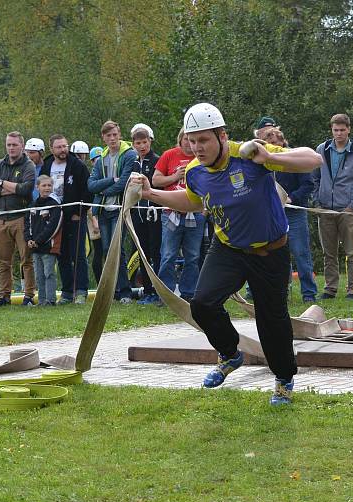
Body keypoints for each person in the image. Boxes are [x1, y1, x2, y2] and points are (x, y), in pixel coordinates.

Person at [131, 103, 322, 405]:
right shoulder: (195, 171)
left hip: (270, 250)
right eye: (192, 141)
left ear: (222, 135)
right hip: (229, 248)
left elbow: (314, 159)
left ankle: (284, 380)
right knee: (202, 304)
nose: (197, 148)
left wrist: (269, 157)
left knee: (272, 322)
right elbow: (193, 201)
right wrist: (150, 194)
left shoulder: (249, 154)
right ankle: (231, 354)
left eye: (204, 140)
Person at [312, 113, 353, 299]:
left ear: (349, 130)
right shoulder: (322, 149)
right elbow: (313, 177)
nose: (339, 134)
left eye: (342, 130)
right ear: (331, 130)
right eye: (335, 130)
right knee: (328, 252)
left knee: (352, 252)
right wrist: (316, 202)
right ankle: (330, 288)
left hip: (348, 209)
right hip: (325, 209)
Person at [258, 126, 318, 303]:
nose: (273, 146)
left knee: (300, 252)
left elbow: (308, 184)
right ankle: (278, 290)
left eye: (276, 142)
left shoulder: (295, 159)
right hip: (272, 214)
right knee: (274, 253)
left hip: (294, 212)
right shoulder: (261, 163)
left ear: (282, 142)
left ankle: (308, 293)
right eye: (269, 143)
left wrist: (292, 198)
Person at [152, 127, 204, 302]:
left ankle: (188, 294)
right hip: (171, 213)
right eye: (186, 140)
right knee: (168, 254)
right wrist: (175, 177)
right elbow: (155, 180)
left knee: (193, 255)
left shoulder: (203, 156)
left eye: (193, 140)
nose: (190, 145)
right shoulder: (169, 155)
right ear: (180, 140)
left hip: (195, 213)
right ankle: (166, 294)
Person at [88, 120, 137, 303]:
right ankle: (113, 292)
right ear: (104, 137)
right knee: (107, 251)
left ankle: (125, 291)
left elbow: (123, 183)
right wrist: (109, 182)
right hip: (102, 210)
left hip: (119, 208)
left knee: (118, 251)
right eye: (109, 135)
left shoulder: (129, 154)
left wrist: (102, 189)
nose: (113, 138)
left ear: (119, 134)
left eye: (115, 134)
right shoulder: (101, 159)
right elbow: (91, 185)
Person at [0, 131, 37, 306]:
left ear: (22, 146)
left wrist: (2, 183)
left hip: (21, 217)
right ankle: (4, 296)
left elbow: (26, 189)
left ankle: (29, 295)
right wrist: (12, 188)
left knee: (26, 260)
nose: (11, 148)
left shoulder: (28, 165)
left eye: (15, 145)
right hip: (1, 219)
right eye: (9, 144)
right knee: (3, 261)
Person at [43, 134, 92, 305]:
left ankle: (80, 291)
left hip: (74, 216)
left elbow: (88, 190)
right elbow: (42, 188)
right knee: (61, 254)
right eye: (59, 147)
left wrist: (81, 211)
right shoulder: (46, 164)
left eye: (65, 146)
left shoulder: (77, 165)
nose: (63, 150)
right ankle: (66, 292)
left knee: (78, 254)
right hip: (55, 217)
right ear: (52, 149)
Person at [129, 123, 162, 305]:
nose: (142, 146)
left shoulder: (156, 160)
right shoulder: (134, 163)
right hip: (138, 213)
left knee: (155, 252)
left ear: (149, 141)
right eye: (138, 143)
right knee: (143, 253)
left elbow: (158, 185)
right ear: (133, 144)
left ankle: (158, 291)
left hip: (153, 212)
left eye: (144, 142)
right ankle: (147, 290)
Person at [26, 175, 63, 306]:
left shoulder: (55, 205)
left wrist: (39, 240)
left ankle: (51, 300)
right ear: (37, 187)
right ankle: (41, 300)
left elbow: (53, 227)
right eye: (44, 185)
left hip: (48, 246)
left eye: (49, 185)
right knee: (39, 275)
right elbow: (28, 224)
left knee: (49, 274)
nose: (47, 188)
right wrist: (29, 239)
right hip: (35, 247)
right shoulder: (33, 205)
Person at [87, 146, 104, 283]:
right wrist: (94, 220)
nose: (98, 161)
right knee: (98, 251)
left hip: (107, 214)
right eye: (95, 159)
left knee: (110, 251)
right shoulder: (91, 177)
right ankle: (100, 284)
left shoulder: (107, 172)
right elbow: (88, 201)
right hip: (94, 217)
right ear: (92, 162)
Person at [25, 137, 45, 202]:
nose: (28, 156)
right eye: (26, 153)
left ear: (41, 153)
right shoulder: (23, 169)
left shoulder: (47, 168)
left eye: (31, 152)